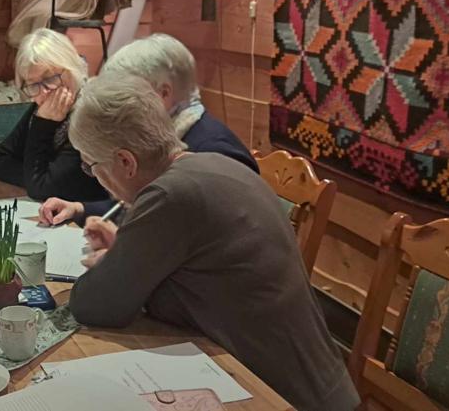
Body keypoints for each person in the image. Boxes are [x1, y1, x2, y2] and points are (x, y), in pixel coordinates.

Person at [66, 75, 359, 411]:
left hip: (282, 397)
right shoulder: (214, 164)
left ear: (126, 162)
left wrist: (112, 264)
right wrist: (126, 250)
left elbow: (94, 305)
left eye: (91, 166)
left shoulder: (170, 195)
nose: (95, 177)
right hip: (321, 384)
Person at [39, 33, 258, 225]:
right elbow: (143, 204)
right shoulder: (163, 138)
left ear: (163, 94)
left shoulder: (214, 151)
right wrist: (80, 209)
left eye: (125, 96)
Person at [0, 29, 106, 202]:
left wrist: (43, 125)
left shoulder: (89, 113)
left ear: (73, 70)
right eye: (32, 84)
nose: (44, 92)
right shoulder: (43, 108)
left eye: (50, 78)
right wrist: (36, 178)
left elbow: (41, 188)